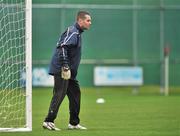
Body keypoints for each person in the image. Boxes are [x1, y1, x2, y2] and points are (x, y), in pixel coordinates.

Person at [42, 11, 92, 131]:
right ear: (80, 21)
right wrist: (65, 65)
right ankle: (48, 121)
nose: (90, 23)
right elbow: (62, 46)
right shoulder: (73, 32)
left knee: (75, 94)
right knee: (60, 93)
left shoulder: (78, 33)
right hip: (62, 69)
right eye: (88, 20)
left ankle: (73, 123)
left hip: (69, 72)